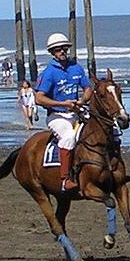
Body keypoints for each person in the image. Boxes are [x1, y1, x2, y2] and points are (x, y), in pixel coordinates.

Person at [34, 33, 94, 194]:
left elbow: (88, 88)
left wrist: (82, 101)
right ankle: (65, 179)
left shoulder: (76, 68)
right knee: (68, 137)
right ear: (52, 52)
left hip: (77, 112)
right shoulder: (49, 73)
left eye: (64, 49)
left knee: (104, 128)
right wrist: (62, 104)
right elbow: (39, 98)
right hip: (57, 115)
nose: (62, 52)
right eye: (59, 49)